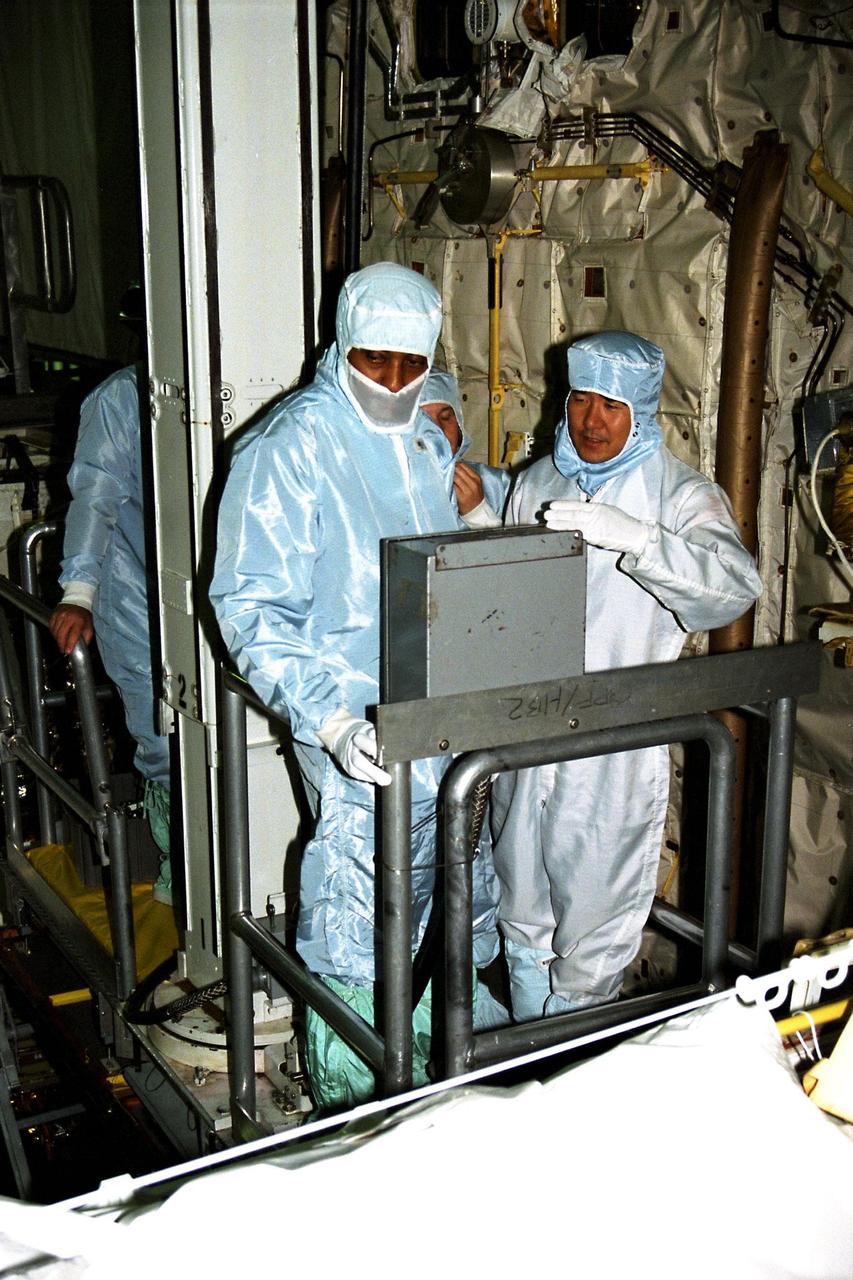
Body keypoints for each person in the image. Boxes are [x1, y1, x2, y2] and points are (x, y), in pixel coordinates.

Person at [209, 262, 501, 1109]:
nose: (395, 383)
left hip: (439, 708)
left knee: (449, 866)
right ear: (342, 345)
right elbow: (249, 605)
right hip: (347, 714)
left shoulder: (422, 437)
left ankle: (444, 1050)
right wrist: (333, 722)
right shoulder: (289, 445)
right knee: (359, 881)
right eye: (376, 363)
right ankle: (352, 1084)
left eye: (412, 366)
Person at [490, 330, 763, 1021]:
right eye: (581, 400)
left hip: (613, 744)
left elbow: (732, 589)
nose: (591, 422)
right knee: (520, 909)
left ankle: (573, 1070)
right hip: (527, 732)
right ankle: (526, 1073)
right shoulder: (537, 483)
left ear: (641, 412)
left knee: (594, 924)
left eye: (611, 407)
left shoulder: (677, 494)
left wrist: (640, 541)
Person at [49, 363, 173, 903]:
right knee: (164, 736)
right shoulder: (122, 399)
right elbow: (96, 495)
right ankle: (187, 883)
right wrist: (79, 594)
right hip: (134, 589)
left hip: (212, 588)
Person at [419, 368, 511, 526]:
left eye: (446, 417)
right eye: (423, 421)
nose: (438, 432)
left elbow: (524, 548)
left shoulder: (495, 484)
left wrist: (480, 515)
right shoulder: (380, 489)